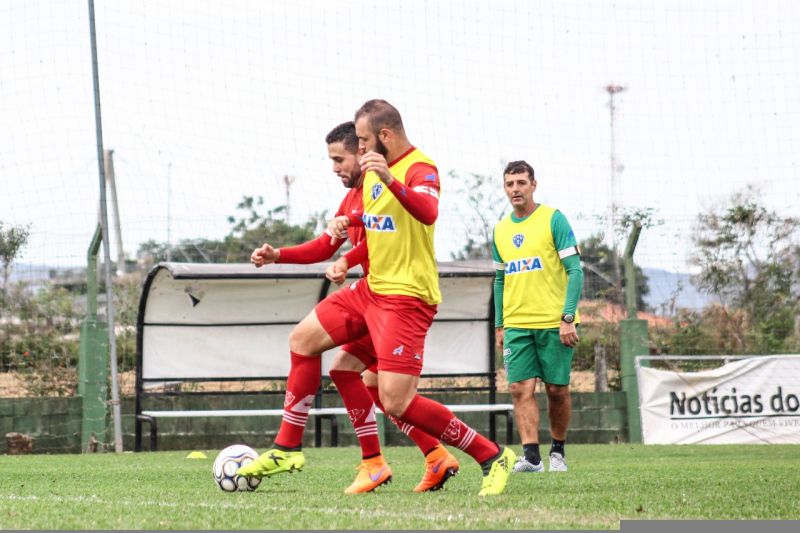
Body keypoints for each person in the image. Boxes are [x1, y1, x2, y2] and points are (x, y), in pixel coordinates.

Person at [238, 121, 460, 494]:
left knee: (379, 389)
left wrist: (349, 259)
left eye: (339, 158)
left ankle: (466, 454)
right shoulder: (353, 197)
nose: (335, 167)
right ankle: (426, 457)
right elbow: (325, 245)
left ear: (364, 152)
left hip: (394, 303)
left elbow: (388, 239)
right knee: (357, 379)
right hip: (375, 300)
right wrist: (279, 255)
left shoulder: (384, 187)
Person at [324, 99, 516, 496]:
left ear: (385, 136)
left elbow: (427, 211)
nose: (359, 149)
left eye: (363, 140)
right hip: (375, 295)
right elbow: (382, 229)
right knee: (342, 368)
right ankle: (409, 459)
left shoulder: (418, 167)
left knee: (395, 400)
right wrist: (350, 224)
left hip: (407, 298)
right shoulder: (378, 172)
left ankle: (490, 454)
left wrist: (391, 181)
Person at [491, 160, 584, 473]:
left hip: (554, 322)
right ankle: (531, 457)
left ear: (533, 185)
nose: (515, 189)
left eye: (521, 182)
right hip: (517, 324)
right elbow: (500, 279)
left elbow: (575, 270)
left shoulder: (553, 220)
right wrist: (500, 324)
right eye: (509, 184)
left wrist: (568, 317)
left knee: (556, 389)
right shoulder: (501, 230)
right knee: (519, 389)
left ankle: (557, 452)